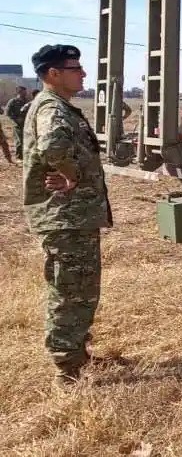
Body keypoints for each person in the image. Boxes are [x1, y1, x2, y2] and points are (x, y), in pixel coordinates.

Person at [22, 44, 113, 386]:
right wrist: (71, 174)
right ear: (53, 74)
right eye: (75, 68)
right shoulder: (51, 108)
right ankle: (67, 368)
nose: (83, 73)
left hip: (72, 217)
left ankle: (76, 354)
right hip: (65, 216)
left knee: (80, 289)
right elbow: (53, 146)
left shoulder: (58, 106)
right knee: (70, 290)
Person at [6, 85, 29, 160]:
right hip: (17, 125)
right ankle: (19, 157)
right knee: (19, 141)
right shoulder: (13, 101)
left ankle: (25, 157)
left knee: (27, 141)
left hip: (27, 124)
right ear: (18, 92)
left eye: (25, 92)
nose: (25, 93)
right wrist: (16, 119)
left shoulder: (27, 101)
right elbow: (8, 113)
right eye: (23, 92)